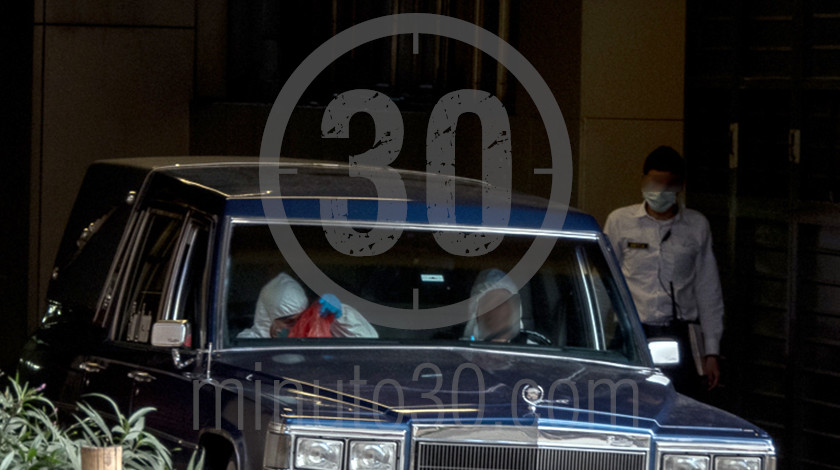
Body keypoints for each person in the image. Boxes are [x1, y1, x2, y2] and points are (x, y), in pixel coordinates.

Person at [604, 146, 723, 396]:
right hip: (633, 331)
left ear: (680, 186)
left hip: (680, 333)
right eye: (655, 182)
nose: (660, 190)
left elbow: (708, 290)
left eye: (669, 184)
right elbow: (604, 281)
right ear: (643, 181)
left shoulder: (696, 225)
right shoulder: (620, 221)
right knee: (626, 399)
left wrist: (711, 352)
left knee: (679, 400)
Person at [237, 273, 378, 339]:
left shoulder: (311, 333)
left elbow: (369, 341)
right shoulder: (247, 343)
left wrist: (342, 316)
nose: (296, 326)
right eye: (289, 321)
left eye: (301, 319)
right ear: (269, 317)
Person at [464, 269, 523, 342]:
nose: (499, 309)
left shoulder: (531, 347)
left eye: (504, 301)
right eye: (489, 303)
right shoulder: (461, 347)